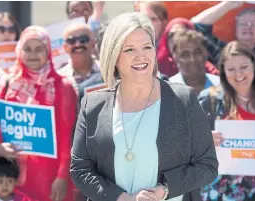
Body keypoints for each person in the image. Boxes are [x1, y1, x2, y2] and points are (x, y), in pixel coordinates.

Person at [70, 12, 218, 201]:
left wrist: (164, 190)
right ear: (114, 55)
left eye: (147, 47)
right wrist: (119, 197)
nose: (141, 56)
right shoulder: (92, 105)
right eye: (130, 49)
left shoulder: (184, 99)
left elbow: (207, 166)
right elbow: (80, 170)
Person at [0, 26, 77, 201]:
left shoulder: (62, 86)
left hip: (49, 176)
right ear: (19, 51)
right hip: (12, 177)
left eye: (39, 49)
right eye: (27, 49)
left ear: (48, 52)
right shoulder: (7, 84)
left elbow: (68, 135)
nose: (33, 55)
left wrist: (61, 177)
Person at [198, 41, 255, 201]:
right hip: (221, 191)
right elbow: (185, 142)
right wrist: (204, 140)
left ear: (254, 65)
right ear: (223, 71)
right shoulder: (209, 100)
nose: (238, 74)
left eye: (244, 67)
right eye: (231, 69)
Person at [192, 2, 255, 97]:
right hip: (230, 108)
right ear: (236, 28)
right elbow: (195, 26)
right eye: (243, 23)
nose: (248, 27)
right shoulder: (223, 51)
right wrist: (228, 4)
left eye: (254, 24)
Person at [58, 24, 103, 106]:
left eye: (83, 39)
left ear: (93, 44)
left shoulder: (107, 71)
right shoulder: (59, 79)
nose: (78, 44)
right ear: (65, 48)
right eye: (71, 41)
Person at [169, 29, 220, 94]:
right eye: (185, 54)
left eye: (197, 52)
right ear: (176, 58)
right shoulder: (168, 89)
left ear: (206, 54)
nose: (192, 59)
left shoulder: (220, 86)